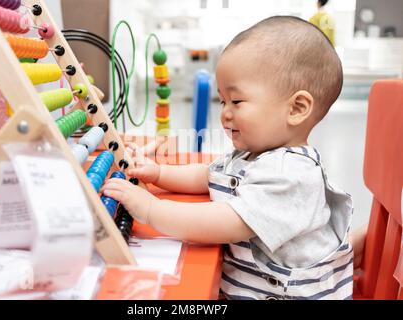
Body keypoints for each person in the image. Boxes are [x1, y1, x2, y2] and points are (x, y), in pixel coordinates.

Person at [102, 16, 353, 300]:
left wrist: (149, 210)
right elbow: (207, 175)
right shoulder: (252, 154)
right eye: (222, 101)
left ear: (296, 108)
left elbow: (225, 222)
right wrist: (159, 173)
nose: (225, 112)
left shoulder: (291, 175)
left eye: (237, 101)